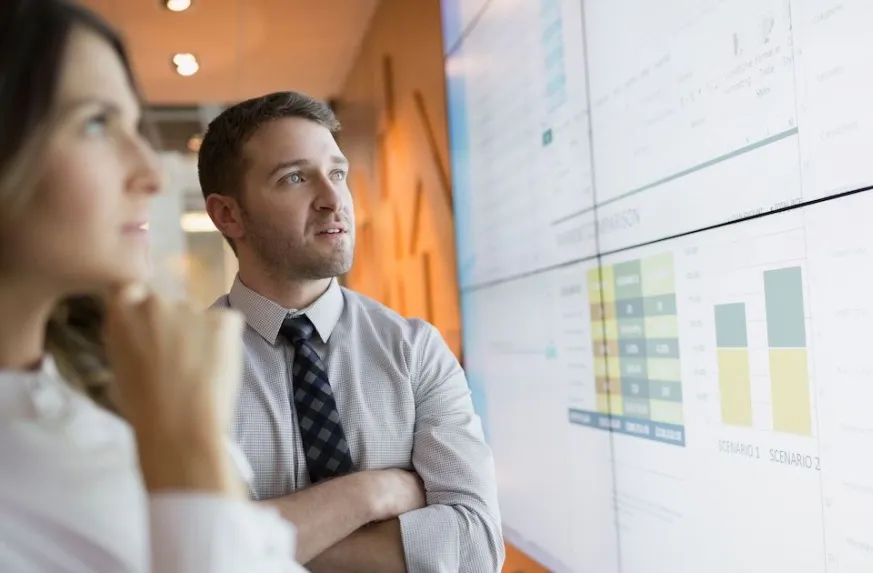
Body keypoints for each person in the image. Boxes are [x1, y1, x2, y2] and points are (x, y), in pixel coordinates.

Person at [0, 1, 307, 571]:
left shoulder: (108, 387)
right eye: (95, 122)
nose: (151, 170)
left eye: (132, 124)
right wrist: (189, 449)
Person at [199, 91, 505, 572]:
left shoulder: (414, 351)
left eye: (337, 173)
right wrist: (371, 492)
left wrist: (253, 546)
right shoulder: (183, 370)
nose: (332, 198)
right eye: (295, 178)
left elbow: (476, 548)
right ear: (228, 215)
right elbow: (188, 558)